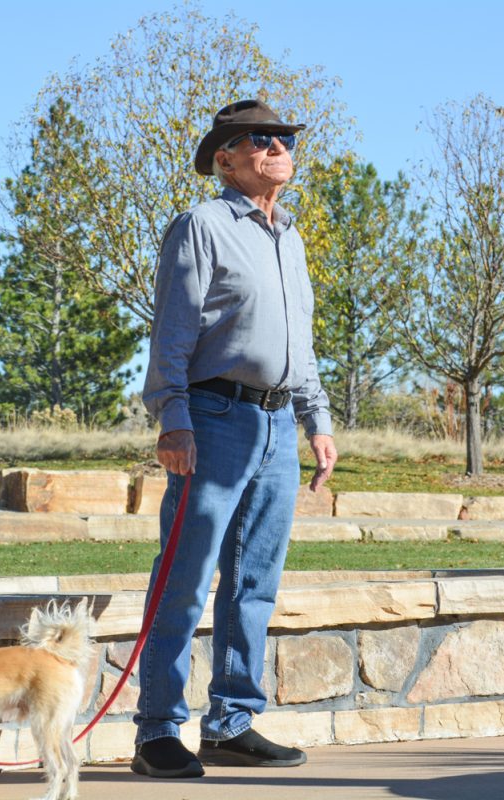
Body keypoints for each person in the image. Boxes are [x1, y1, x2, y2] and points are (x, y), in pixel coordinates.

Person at [134, 98, 338, 779]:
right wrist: (173, 417)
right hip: (214, 420)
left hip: (278, 426)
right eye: (262, 138)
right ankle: (158, 731)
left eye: (284, 137)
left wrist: (318, 422)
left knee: (254, 583)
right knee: (185, 580)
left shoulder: (291, 237)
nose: (279, 146)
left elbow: (299, 345)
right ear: (225, 157)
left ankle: (231, 723)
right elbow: (173, 332)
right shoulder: (201, 226)